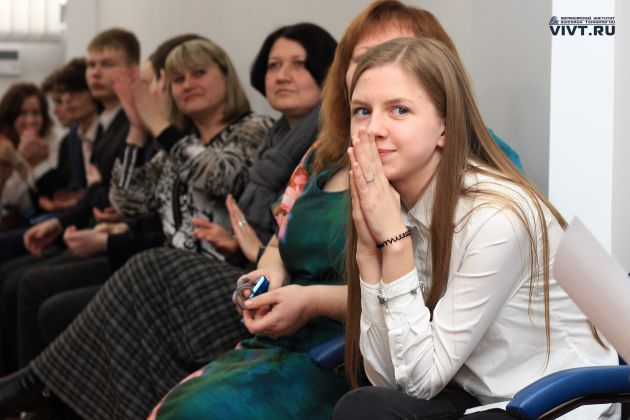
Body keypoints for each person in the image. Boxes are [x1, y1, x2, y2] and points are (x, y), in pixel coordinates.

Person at [0, 23, 335, 419]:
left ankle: (41, 388)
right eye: (177, 79)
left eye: (198, 73)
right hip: (211, 266)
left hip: (224, 270)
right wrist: (137, 127)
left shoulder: (253, 129)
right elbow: (126, 198)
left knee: (133, 272)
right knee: (55, 296)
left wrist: (160, 125)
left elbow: (221, 177)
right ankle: (46, 393)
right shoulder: (271, 137)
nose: (187, 84)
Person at [333, 37, 618, 420]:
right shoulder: (389, 205)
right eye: (362, 111)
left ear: (445, 128)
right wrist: (369, 254)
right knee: (363, 407)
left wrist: (394, 246)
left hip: (554, 402)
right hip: (475, 393)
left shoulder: (497, 218)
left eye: (399, 110)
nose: (374, 129)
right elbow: (390, 379)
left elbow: (419, 383)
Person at [0, 83, 58, 229]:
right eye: (22, 113)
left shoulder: (54, 141)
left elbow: (47, 196)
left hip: (42, 219)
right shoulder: (4, 145)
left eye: (36, 113)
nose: (30, 120)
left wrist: (23, 161)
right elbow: (11, 199)